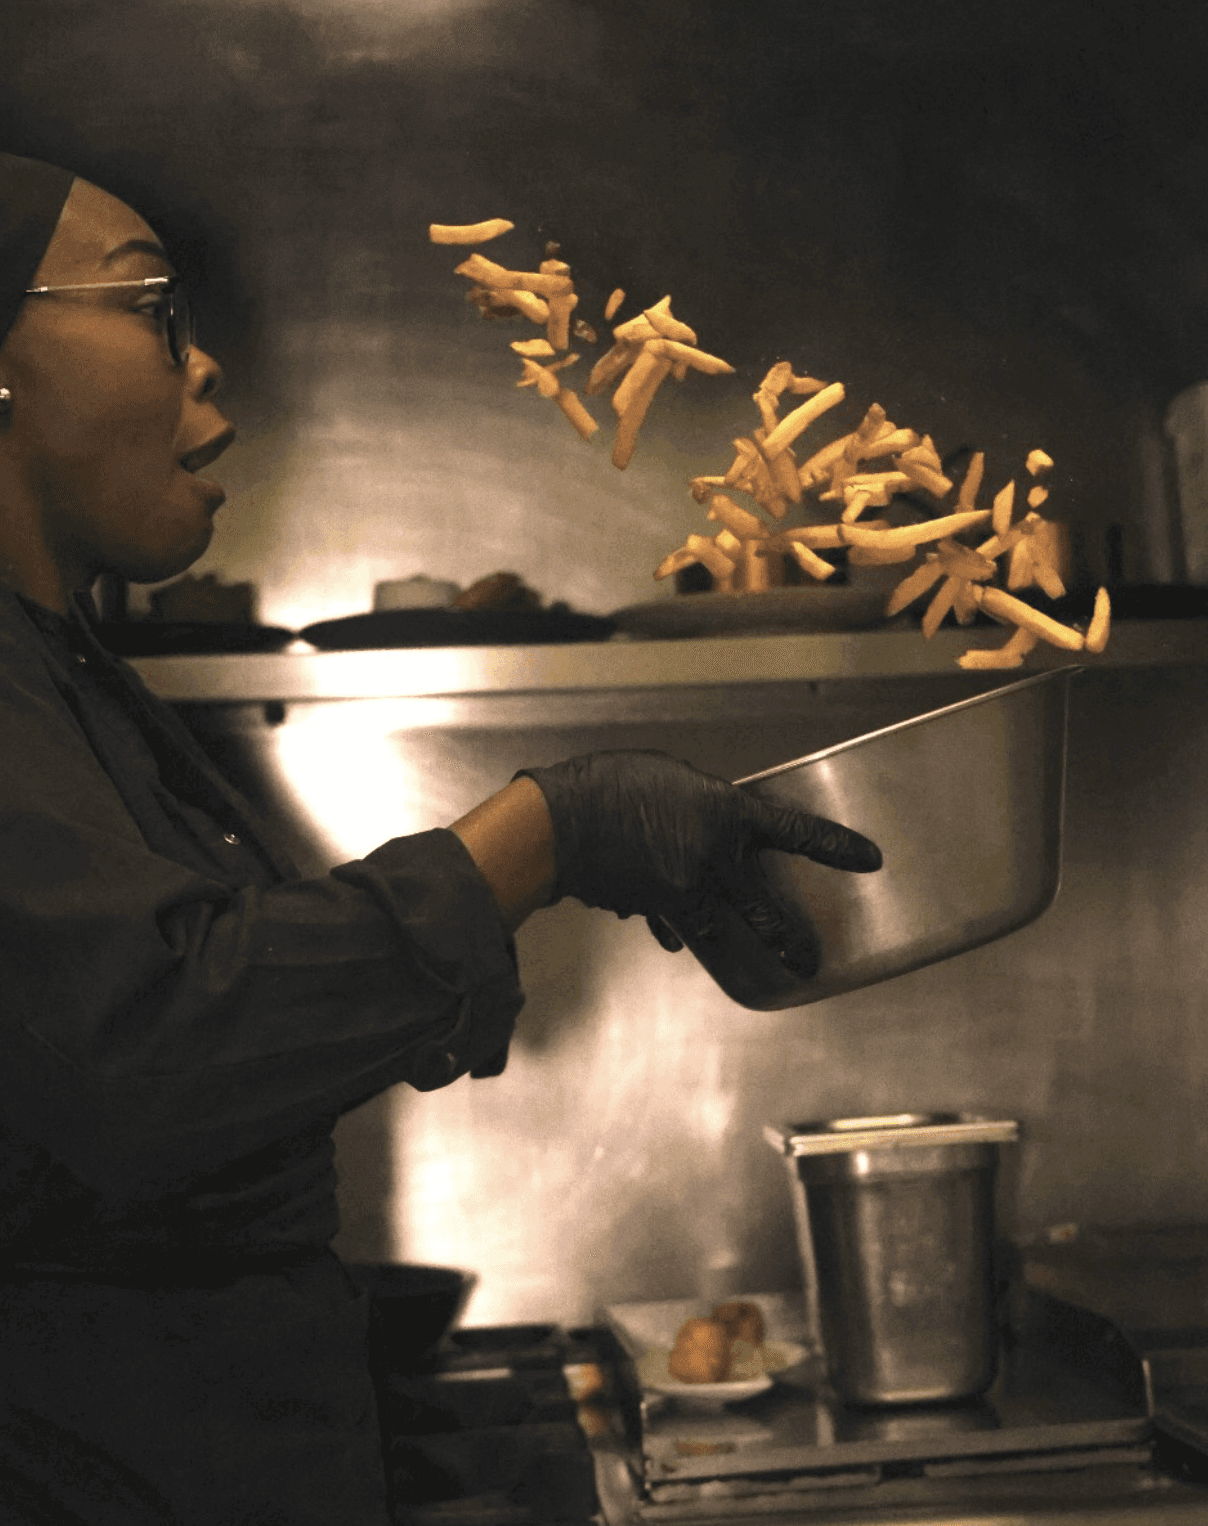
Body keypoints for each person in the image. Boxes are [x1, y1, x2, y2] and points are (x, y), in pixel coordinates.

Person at [0, 152, 882, 1524]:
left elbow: (191, 1015)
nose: (208, 363)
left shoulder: (72, 670)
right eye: (151, 310)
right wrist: (547, 830)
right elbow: (155, 1046)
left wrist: (432, 976)